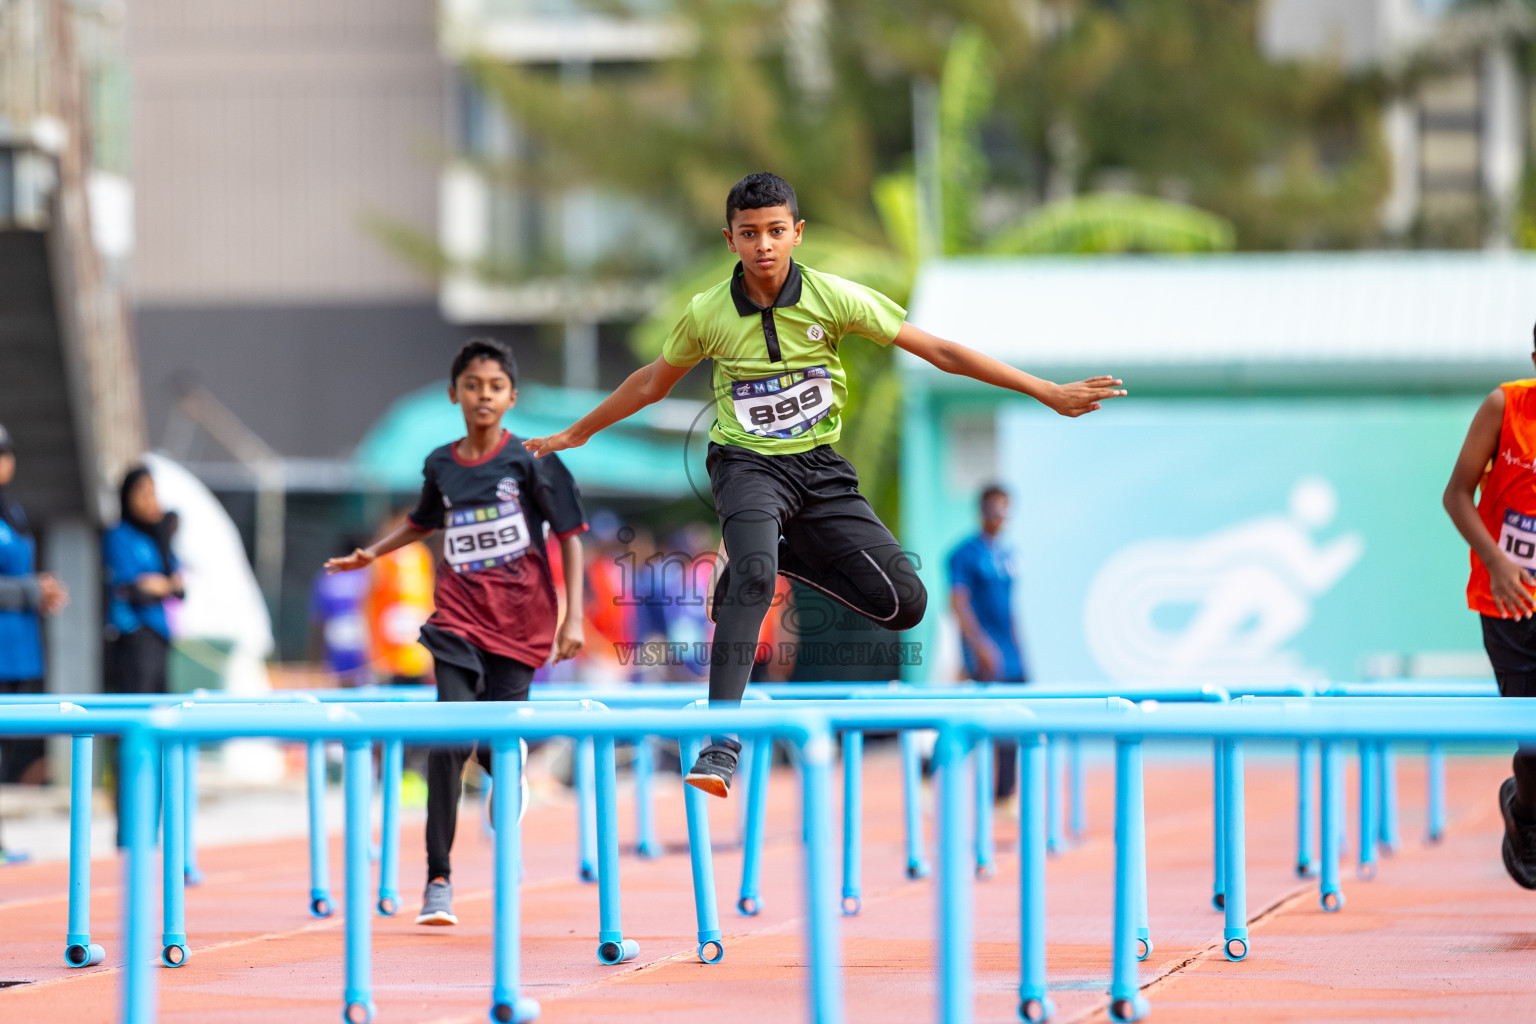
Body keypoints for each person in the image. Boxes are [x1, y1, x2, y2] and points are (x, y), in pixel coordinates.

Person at [522, 172, 1125, 796]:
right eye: (750, 234)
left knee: (905, 604)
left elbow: (940, 351)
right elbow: (650, 382)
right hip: (747, 464)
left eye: (776, 232)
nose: (764, 246)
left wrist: (1045, 390)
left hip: (820, 470)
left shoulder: (835, 297)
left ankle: (770, 556)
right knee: (753, 579)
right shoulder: (707, 314)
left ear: (796, 234)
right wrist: (578, 432)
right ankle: (721, 743)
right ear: (730, 239)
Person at [325, 338, 587, 926]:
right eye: (473, 385)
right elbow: (422, 522)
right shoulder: (441, 464)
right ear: (455, 394)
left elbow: (571, 533)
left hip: (521, 622)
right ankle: (437, 879)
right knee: (449, 740)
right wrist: (370, 554)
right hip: (457, 617)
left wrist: (572, 616)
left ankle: (507, 760)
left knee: (493, 741)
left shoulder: (534, 459)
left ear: (511, 397)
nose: (484, 395)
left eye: (495, 387)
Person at [1443, 329, 1536, 888]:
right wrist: (1498, 561)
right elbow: (1456, 493)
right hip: (1511, 601)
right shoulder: (1506, 405)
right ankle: (1525, 812)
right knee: (1533, 736)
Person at [0, 424, 69, 862]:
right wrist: (30, 590)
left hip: (16, 644)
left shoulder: (14, 512)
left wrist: (43, 592)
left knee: (5, 746)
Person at [947, 484, 1027, 799]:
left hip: (1011, 652)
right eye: (995, 509)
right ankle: (932, 771)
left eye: (1006, 509)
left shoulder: (1009, 554)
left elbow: (1010, 607)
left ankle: (1005, 795)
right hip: (984, 653)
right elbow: (958, 602)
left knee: (1015, 722)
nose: (1000, 516)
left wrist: (1019, 646)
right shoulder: (964, 554)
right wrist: (980, 645)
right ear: (982, 511)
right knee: (975, 721)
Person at [103, 466, 182, 697]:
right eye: (142, 492)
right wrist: (160, 586)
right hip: (134, 636)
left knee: (161, 710)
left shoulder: (156, 539)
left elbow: (178, 586)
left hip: (160, 635)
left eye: (153, 492)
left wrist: (164, 537)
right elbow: (133, 589)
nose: (150, 500)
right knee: (136, 710)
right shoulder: (119, 535)